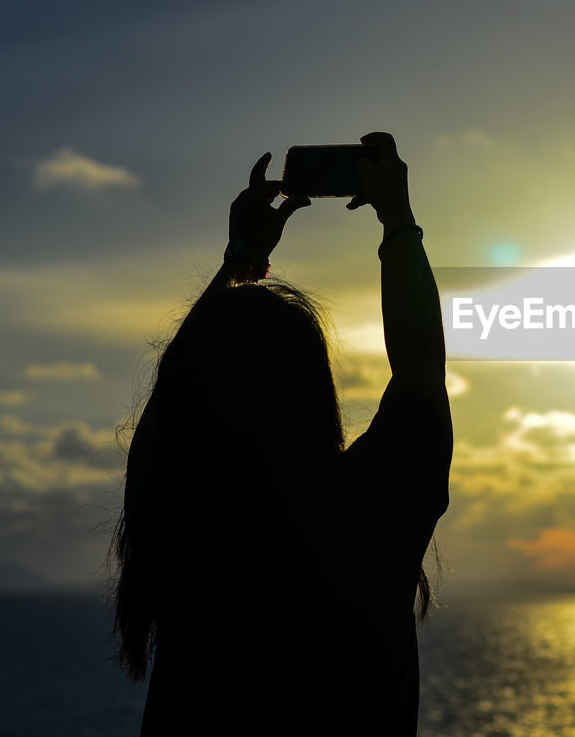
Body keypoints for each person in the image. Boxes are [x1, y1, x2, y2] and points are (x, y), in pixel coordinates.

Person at [109, 132, 452, 736]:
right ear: (315, 395)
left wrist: (240, 259)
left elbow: (176, 394)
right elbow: (420, 372)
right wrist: (397, 218)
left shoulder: (178, 526)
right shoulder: (370, 520)